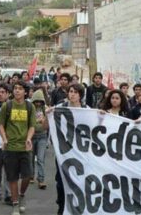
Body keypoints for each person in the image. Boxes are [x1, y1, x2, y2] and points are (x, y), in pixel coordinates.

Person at [0, 80, 36, 215]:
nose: (17, 91)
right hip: (10, 147)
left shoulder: (30, 107)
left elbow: (32, 126)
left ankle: (21, 195)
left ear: (25, 92)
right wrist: (4, 138)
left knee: (28, 175)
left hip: (25, 147)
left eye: (20, 89)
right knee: (12, 178)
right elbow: (1, 125)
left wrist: (28, 138)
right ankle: (15, 204)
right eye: (15, 88)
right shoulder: (7, 106)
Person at [51, 83, 88, 215]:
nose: (72, 94)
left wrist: (100, 116)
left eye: (75, 92)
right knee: (61, 180)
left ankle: (77, 208)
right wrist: (48, 114)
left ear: (80, 95)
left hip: (80, 153)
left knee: (79, 181)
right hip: (63, 152)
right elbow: (45, 125)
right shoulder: (60, 108)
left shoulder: (87, 109)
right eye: (70, 91)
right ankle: (61, 206)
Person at [30, 89, 49, 189]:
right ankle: (31, 175)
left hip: (42, 136)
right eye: (36, 101)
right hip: (32, 136)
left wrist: (45, 120)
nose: (38, 103)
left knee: (40, 159)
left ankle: (41, 179)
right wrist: (38, 120)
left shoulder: (45, 109)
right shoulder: (29, 108)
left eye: (39, 101)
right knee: (31, 158)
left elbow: (48, 122)